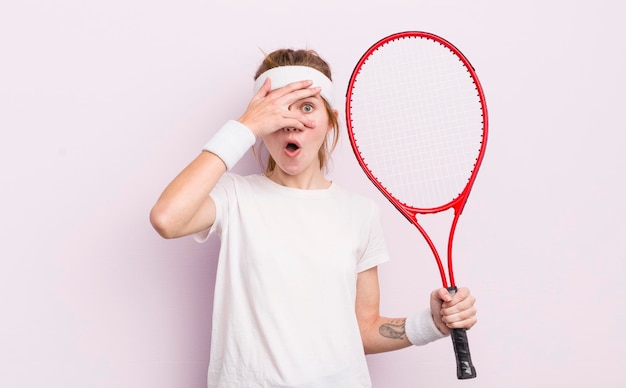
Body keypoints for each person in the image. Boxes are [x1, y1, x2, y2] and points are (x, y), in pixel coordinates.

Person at [150, 48, 477, 388]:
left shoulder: (360, 213)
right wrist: (245, 126)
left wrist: (431, 324)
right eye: (277, 110)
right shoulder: (234, 197)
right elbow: (167, 218)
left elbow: (363, 330)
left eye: (307, 107)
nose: (291, 122)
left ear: (330, 119)